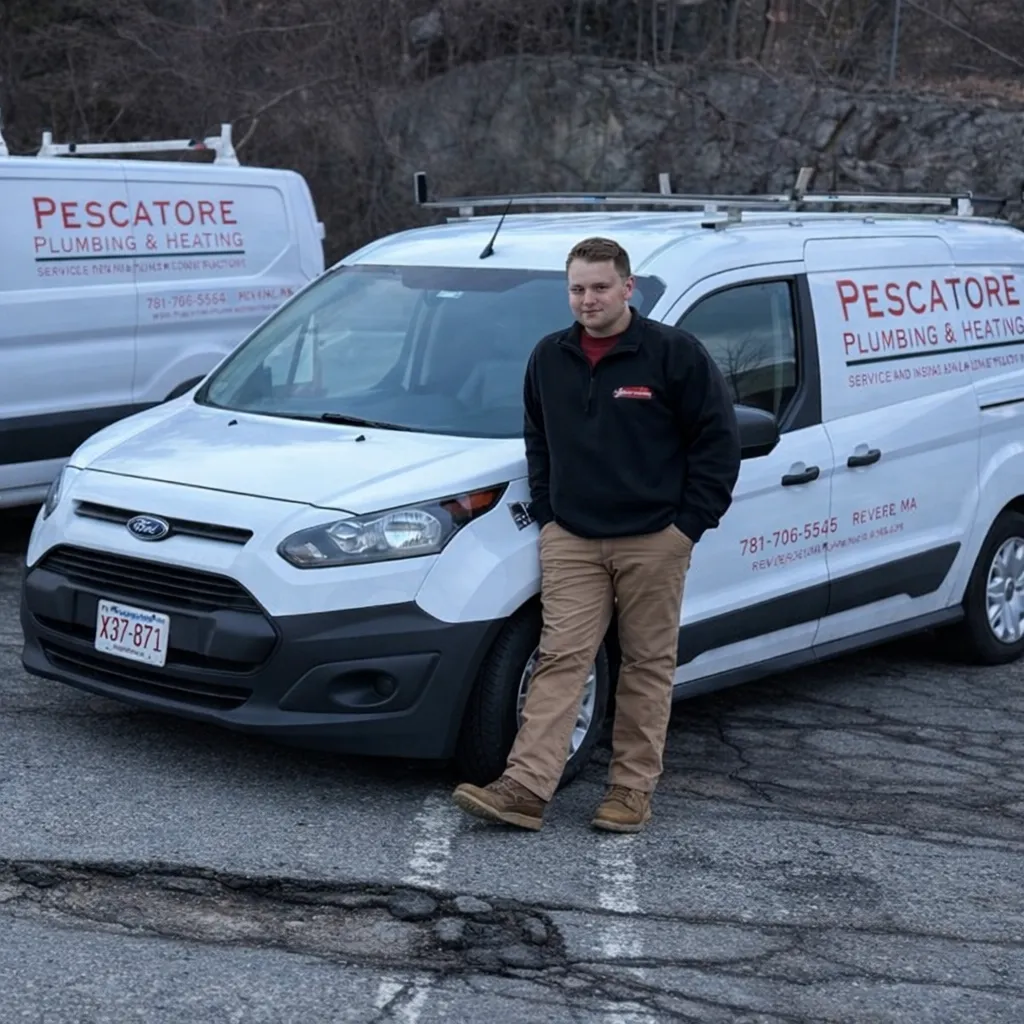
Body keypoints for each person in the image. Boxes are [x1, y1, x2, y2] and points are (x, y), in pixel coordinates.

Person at [452, 237, 741, 833]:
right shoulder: (548, 357)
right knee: (561, 659)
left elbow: (718, 445)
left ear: (628, 288)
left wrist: (686, 527)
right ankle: (527, 788)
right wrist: (550, 514)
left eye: (600, 287)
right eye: (578, 288)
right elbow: (538, 438)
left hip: (653, 539)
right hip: (573, 540)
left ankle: (630, 792)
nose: (588, 300)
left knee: (645, 665)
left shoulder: (673, 354)